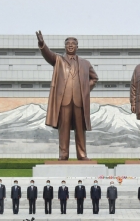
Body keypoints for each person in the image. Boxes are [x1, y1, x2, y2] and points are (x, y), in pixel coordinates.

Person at [36, 31, 98, 160]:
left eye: (73, 44)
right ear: (65, 46)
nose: (70, 46)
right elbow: (48, 55)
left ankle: (82, 155)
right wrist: (42, 44)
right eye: (68, 44)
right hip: (64, 101)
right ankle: (63, 155)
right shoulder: (58, 60)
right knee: (63, 130)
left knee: (80, 130)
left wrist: (85, 89)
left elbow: (94, 78)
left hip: (79, 101)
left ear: (77, 47)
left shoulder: (85, 63)